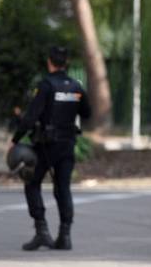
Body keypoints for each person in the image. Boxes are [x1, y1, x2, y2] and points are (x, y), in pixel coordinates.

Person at [9, 46, 91, 251]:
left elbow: (30, 117)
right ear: (66, 63)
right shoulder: (76, 87)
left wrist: (15, 139)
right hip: (68, 145)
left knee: (32, 183)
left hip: (46, 146)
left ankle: (42, 232)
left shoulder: (45, 86)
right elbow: (87, 113)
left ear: (50, 62)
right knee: (63, 188)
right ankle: (65, 236)